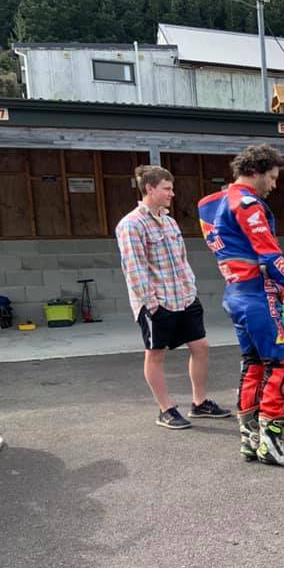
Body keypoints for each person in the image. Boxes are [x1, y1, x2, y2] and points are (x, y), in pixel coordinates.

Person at [197, 144, 284, 467]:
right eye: (272, 177)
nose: (274, 185)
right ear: (255, 172)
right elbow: (272, 259)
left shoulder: (211, 204)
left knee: (253, 365)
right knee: (283, 369)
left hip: (234, 293)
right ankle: (272, 444)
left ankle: (250, 440)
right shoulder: (247, 205)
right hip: (257, 296)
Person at [116, 165, 230, 429]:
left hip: (185, 297)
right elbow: (134, 269)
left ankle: (199, 403)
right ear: (149, 188)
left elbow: (181, 260)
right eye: (166, 188)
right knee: (155, 355)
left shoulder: (169, 221)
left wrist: (190, 287)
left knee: (201, 347)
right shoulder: (131, 224)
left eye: (171, 188)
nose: (172, 193)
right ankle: (165, 409)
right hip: (157, 302)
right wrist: (151, 303)